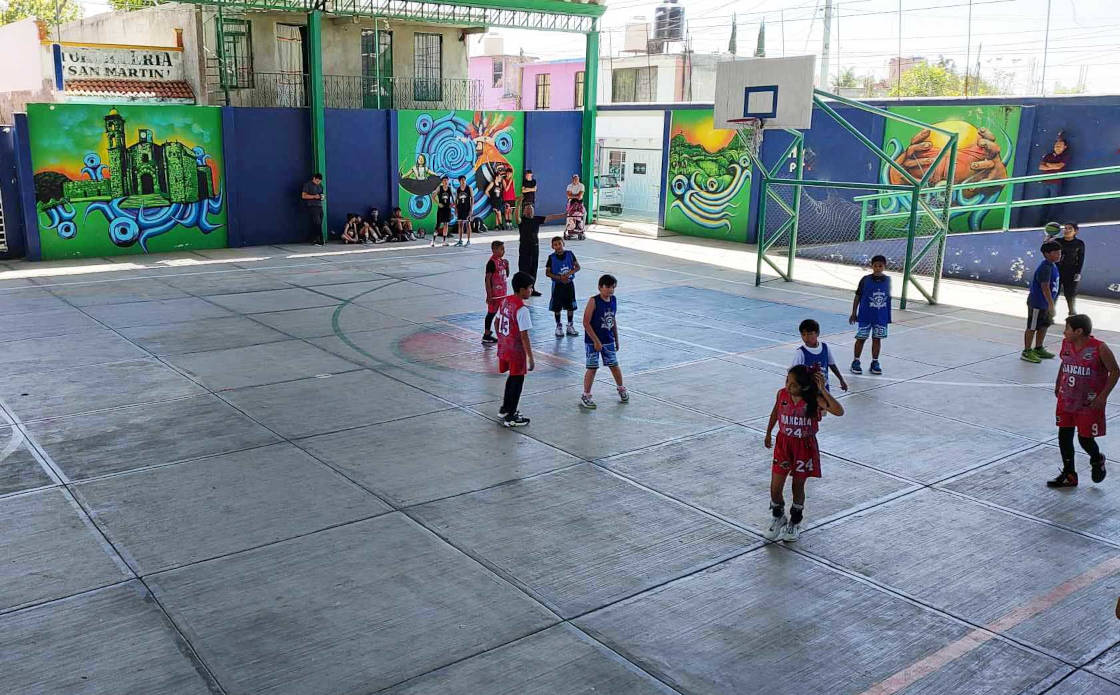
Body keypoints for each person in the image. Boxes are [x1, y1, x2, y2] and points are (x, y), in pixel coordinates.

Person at [763, 365, 845, 542]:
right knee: (775, 487)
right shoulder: (781, 394)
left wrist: (822, 389)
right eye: (787, 381)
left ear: (804, 386)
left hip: (804, 447)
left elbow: (839, 411)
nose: (788, 386)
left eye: (792, 384)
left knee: (797, 486)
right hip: (784, 444)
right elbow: (776, 412)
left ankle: (795, 520)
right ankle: (778, 516)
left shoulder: (814, 399)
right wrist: (769, 431)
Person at [1047, 314, 1117, 488]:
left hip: (1088, 403)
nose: (1064, 333)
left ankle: (1096, 458)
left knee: (1085, 439)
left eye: (1067, 329)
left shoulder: (1099, 348)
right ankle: (1069, 473)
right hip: (1067, 398)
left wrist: (1103, 397)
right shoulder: (1067, 344)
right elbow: (1065, 363)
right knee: (1064, 435)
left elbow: (1115, 371)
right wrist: (1058, 382)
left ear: (1079, 331)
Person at [580, 274, 628, 409]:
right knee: (592, 367)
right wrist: (595, 341)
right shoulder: (593, 301)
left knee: (614, 365)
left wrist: (616, 339)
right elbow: (586, 322)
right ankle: (586, 394)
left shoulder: (613, 300)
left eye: (613, 287)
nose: (610, 290)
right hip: (592, 342)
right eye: (607, 287)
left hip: (608, 340)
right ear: (600, 287)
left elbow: (613, 320)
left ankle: (621, 388)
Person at [496, 271, 536, 428]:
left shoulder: (506, 301)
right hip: (516, 351)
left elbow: (497, 321)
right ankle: (511, 416)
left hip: (505, 346)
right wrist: (530, 358)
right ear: (521, 289)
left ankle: (505, 408)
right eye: (530, 288)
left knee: (511, 378)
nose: (531, 291)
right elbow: (524, 336)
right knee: (517, 380)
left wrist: (501, 338)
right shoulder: (522, 310)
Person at [849, 255, 892, 376]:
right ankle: (856, 361)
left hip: (880, 317)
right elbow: (857, 296)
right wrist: (854, 313)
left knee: (877, 339)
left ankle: (875, 362)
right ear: (871, 266)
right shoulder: (865, 280)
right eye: (875, 266)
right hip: (865, 315)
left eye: (880, 266)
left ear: (884, 267)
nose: (878, 268)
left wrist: (887, 317)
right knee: (861, 338)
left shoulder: (888, 280)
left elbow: (888, 299)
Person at [1023, 241, 1062, 363]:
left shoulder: (1053, 265)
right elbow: (1044, 287)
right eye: (1056, 253)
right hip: (1038, 303)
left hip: (1047, 304)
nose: (1059, 255)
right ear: (1047, 254)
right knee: (1032, 327)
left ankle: (1038, 348)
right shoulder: (1045, 268)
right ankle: (1027, 351)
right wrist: (1051, 304)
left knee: (1044, 325)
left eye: (1059, 252)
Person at [517, 202, 565, 297]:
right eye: (528, 209)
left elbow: (550, 217)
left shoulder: (537, 219)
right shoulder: (522, 220)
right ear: (524, 212)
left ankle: (532, 289)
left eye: (531, 209)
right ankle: (522, 290)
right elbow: (516, 217)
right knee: (524, 269)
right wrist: (518, 204)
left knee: (533, 268)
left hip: (535, 247)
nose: (530, 211)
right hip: (524, 248)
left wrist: (564, 215)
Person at [793, 319, 848, 393]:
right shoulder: (800, 352)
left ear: (817, 333)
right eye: (803, 334)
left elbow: (832, 365)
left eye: (809, 334)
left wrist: (841, 379)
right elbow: (793, 373)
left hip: (824, 390)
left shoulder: (825, 347)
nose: (806, 337)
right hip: (808, 392)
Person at [544, 236, 581, 337]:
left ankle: (570, 325)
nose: (558, 246)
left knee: (570, 306)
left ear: (563, 244)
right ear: (552, 246)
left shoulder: (569, 254)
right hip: (558, 285)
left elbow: (577, 267)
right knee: (557, 307)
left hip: (569, 285)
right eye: (555, 245)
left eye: (559, 244)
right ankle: (558, 326)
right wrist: (559, 277)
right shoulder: (551, 258)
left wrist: (568, 274)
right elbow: (547, 273)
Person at [1037, 136, 1071, 226]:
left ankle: (1051, 223)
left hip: (1056, 183)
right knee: (1043, 204)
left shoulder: (1065, 156)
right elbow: (1040, 167)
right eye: (1056, 145)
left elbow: (1059, 166)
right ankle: (1041, 223)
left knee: (1054, 204)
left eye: (1060, 145)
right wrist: (1052, 166)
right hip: (1045, 183)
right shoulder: (1048, 155)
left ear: (1065, 147)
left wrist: (1048, 165)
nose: (1057, 147)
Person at [483, 240, 509, 345]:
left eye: (504, 249)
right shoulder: (491, 263)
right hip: (494, 295)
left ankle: (502, 333)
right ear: (494, 250)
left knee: (503, 314)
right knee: (491, 314)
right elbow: (487, 279)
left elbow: (506, 275)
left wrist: (507, 266)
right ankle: (486, 334)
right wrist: (489, 295)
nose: (503, 251)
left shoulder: (502, 261)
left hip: (502, 294)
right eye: (501, 249)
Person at [1056, 222, 1085, 315]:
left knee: (1070, 294)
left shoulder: (1079, 243)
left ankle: (1072, 312)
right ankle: (1049, 314)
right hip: (1057, 271)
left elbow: (1081, 258)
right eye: (1065, 228)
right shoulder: (1057, 241)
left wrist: (1078, 273)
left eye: (1069, 229)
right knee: (1054, 293)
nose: (1066, 230)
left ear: (1075, 231)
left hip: (1071, 272)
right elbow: (1046, 250)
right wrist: (1047, 241)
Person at [301, 173, 325, 245]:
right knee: (317, 222)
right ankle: (320, 240)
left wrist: (322, 197)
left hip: (319, 206)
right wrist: (314, 196)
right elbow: (303, 196)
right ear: (314, 178)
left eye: (319, 181)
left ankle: (315, 239)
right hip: (312, 206)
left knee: (319, 223)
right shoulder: (307, 185)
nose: (318, 183)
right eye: (317, 181)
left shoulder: (320, 186)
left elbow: (322, 195)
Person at [431, 176, 453, 247]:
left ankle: (444, 241)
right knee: (438, 225)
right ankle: (433, 241)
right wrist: (438, 203)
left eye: (446, 180)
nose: (445, 182)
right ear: (442, 182)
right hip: (441, 209)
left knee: (446, 224)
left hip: (447, 209)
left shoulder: (450, 189)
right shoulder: (439, 188)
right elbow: (433, 196)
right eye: (444, 180)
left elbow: (454, 197)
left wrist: (453, 204)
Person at [565, 174, 587, 241]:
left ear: (578, 179)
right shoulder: (569, 186)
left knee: (583, 213)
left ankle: (581, 228)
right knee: (570, 215)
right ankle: (570, 229)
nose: (575, 180)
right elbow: (568, 196)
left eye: (577, 179)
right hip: (571, 203)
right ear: (572, 179)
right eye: (574, 179)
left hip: (579, 202)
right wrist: (576, 196)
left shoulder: (581, 185)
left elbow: (580, 196)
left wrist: (572, 195)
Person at [455, 175, 473, 247]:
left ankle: (468, 241)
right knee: (460, 224)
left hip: (467, 209)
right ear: (459, 181)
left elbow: (472, 199)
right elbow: (456, 199)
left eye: (464, 180)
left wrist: (471, 209)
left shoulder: (469, 188)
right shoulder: (458, 189)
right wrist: (456, 208)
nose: (463, 181)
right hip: (460, 209)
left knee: (468, 225)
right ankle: (460, 241)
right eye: (461, 180)